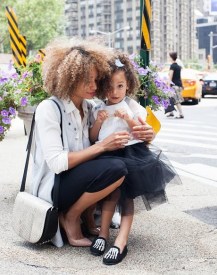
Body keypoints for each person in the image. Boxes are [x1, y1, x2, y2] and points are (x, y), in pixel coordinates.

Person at [30, 38, 155, 248]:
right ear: (70, 78)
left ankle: (88, 217)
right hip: (55, 185)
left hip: (79, 180)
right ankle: (71, 216)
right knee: (116, 167)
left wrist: (148, 134)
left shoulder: (90, 108)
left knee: (117, 166)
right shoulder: (49, 108)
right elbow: (57, 163)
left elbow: (123, 130)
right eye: (88, 80)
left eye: (97, 80)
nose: (94, 86)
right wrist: (103, 145)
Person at [89, 52, 181, 265]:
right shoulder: (99, 108)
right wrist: (98, 123)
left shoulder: (132, 106)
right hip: (106, 155)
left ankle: (121, 240)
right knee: (109, 196)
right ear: (103, 87)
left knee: (126, 197)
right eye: (110, 87)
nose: (114, 92)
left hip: (131, 155)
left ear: (128, 85)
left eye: (119, 86)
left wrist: (128, 119)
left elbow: (142, 131)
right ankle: (103, 234)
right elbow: (94, 138)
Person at [167, 52, 184, 118]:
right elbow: (179, 77)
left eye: (169, 57)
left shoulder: (172, 66)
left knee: (176, 100)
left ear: (171, 58)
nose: (169, 58)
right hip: (178, 85)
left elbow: (170, 77)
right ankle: (171, 112)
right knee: (171, 99)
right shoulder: (178, 66)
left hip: (174, 86)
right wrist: (182, 85)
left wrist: (168, 86)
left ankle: (181, 113)